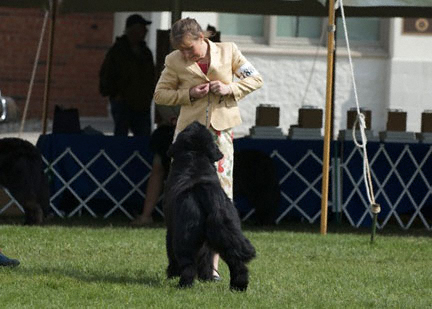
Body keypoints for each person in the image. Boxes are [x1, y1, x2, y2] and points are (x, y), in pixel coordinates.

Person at [153, 18, 263, 280]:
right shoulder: (173, 61)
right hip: (187, 140)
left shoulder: (229, 51)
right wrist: (189, 93)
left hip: (220, 135)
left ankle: (211, 267)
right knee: (183, 200)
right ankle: (184, 262)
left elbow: (255, 79)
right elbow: (160, 95)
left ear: (202, 37)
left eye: (190, 48)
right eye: (182, 50)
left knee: (219, 198)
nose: (187, 54)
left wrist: (230, 88)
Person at [99, 14, 155, 136]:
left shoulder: (145, 53)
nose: (145, 31)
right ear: (133, 29)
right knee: (121, 136)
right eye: (142, 28)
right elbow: (107, 74)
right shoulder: (118, 51)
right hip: (123, 102)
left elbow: (151, 76)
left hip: (142, 103)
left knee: (143, 138)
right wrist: (115, 94)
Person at [131, 107, 178, 226]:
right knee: (158, 170)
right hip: (167, 131)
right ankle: (146, 215)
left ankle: (178, 216)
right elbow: (161, 102)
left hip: (189, 129)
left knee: (178, 175)